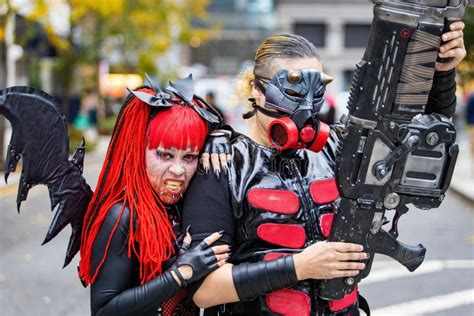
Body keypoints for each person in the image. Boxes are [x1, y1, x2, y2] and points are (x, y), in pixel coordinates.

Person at [182, 20, 466, 316]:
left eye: (316, 90)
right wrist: (300, 266)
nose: (305, 106)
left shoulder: (337, 147)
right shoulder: (221, 164)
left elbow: (422, 137)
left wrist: (442, 71)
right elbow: (203, 290)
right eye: (291, 90)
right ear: (257, 90)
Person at [77, 78, 231, 316]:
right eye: (164, 155)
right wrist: (181, 273)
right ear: (140, 151)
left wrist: (219, 138)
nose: (178, 170)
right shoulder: (121, 216)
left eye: (189, 157)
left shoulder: (183, 202)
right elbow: (103, 311)